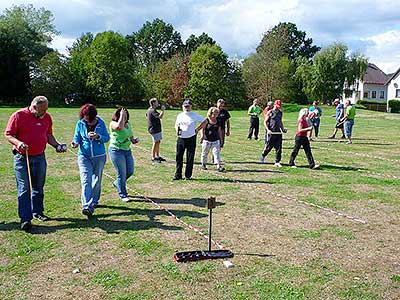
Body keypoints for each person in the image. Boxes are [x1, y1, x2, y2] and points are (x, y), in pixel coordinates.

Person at [4, 96, 66, 232]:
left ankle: (37, 212)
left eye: (46, 110)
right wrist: (18, 143)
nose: (44, 113)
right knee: (24, 188)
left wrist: (56, 145)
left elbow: (48, 135)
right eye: (42, 110)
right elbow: (8, 134)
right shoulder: (18, 115)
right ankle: (25, 219)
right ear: (33, 107)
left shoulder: (47, 118)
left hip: (39, 157)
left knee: (38, 186)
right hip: (22, 158)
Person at [71, 104, 110, 217]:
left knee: (97, 180)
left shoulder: (100, 123)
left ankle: (94, 201)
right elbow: (76, 137)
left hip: (99, 156)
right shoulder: (80, 123)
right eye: (84, 116)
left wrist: (98, 136)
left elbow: (106, 138)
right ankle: (87, 206)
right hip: (84, 156)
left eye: (88, 116)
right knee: (86, 180)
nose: (86, 118)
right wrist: (75, 143)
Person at [109, 107, 138, 202]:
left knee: (130, 171)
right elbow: (119, 127)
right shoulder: (113, 123)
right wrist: (121, 115)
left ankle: (117, 183)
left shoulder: (128, 124)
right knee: (121, 173)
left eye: (126, 114)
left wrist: (134, 140)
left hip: (127, 150)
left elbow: (130, 135)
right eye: (123, 114)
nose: (125, 116)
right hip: (116, 151)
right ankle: (123, 194)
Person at [173, 100, 206, 180]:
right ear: (182, 107)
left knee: (190, 157)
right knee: (179, 157)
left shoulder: (194, 115)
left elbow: (205, 121)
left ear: (191, 106)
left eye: (188, 106)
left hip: (191, 138)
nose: (186, 108)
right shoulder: (180, 115)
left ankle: (188, 175)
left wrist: (197, 129)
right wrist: (177, 130)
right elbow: (176, 124)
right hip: (181, 138)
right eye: (185, 106)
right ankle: (178, 175)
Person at [260, 100, 286, 167]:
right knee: (269, 147)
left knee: (279, 148)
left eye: (279, 106)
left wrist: (283, 129)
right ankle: (263, 155)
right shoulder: (270, 112)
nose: (279, 107)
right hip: (272, 132)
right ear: (274, 105)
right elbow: (265, 122)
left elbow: (280, 122)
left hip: (278, 132)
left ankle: (277, 162)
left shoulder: (280, 113)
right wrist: (268, 130)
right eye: (277, 106)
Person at [200, 107, 224, 172]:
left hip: (215, 140)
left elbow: (219, 131)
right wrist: (202, 136)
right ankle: (203, 164)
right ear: (210, 113)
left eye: (217, 113)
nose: (216, 114)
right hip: (207, 140)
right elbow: (202, 129)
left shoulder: (218, 121)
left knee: (216, 153)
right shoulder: (206, 120)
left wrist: (221, 140)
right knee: (205, 153)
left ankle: (218, 166)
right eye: (214, 113)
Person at [146, 98, 165, 163]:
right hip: (154, 129)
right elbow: (160, 117)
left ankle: (157, 156)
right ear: (153, 103)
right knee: (155, 142)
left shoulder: (150, 110)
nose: (158, 103)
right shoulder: (152, 110)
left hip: (155, 129)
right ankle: (153, 157)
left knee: (158, 142)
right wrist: (162, 110)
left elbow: (146, 116)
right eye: (157, 102)